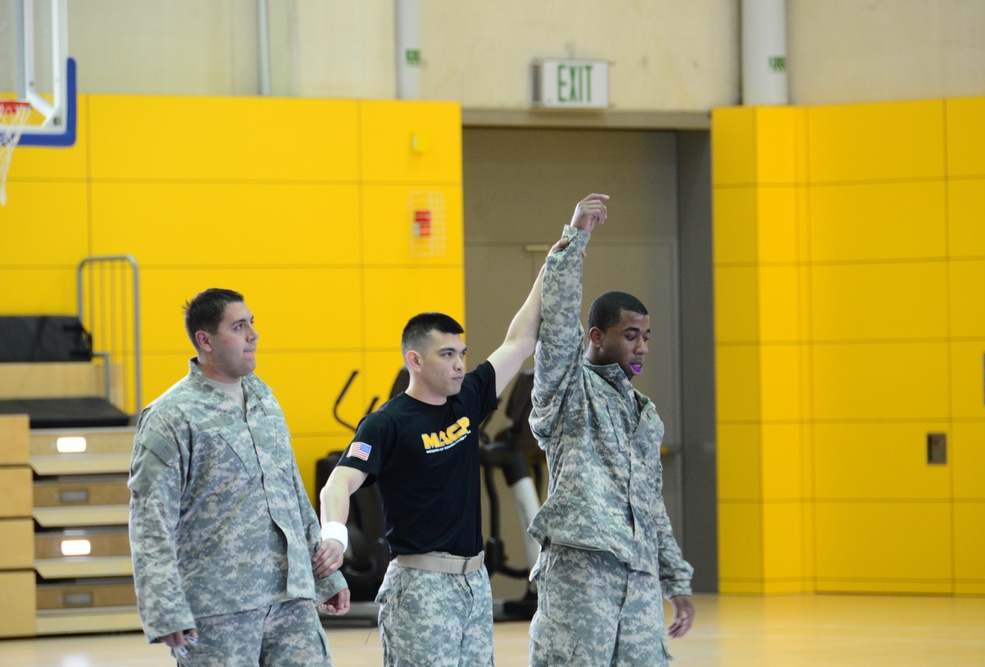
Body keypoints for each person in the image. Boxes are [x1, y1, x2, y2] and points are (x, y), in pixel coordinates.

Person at [318, 215, 572, 666]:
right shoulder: (386, 423)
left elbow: (520, 338)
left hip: (474, 584)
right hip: (420, 587)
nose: (459, 365)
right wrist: (334, 538)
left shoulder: (468, 399)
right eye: (447, 355)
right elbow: (337, 485)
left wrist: (558, 257)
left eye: (462, 354)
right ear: (415, 360)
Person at [128, 288, 350, 665]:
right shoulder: (170, 417)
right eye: (239, 326)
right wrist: (165, 609)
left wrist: (325, 576)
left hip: (290, 598)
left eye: (252, 323)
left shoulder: (263, 398)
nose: (253, 334)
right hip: (219, 608)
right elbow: (151, 522)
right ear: (205, 340)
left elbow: (291, 492)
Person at [527, 194, 695, 666]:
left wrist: (676, 582)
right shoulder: (568, 390)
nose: (640, 347)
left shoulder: (645, 412)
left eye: (646, 337)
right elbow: (557, 321)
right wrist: (577, 236)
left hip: (639, 582)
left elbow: (650, 504)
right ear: (597, 337)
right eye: (629, 335)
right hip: (581, 575)